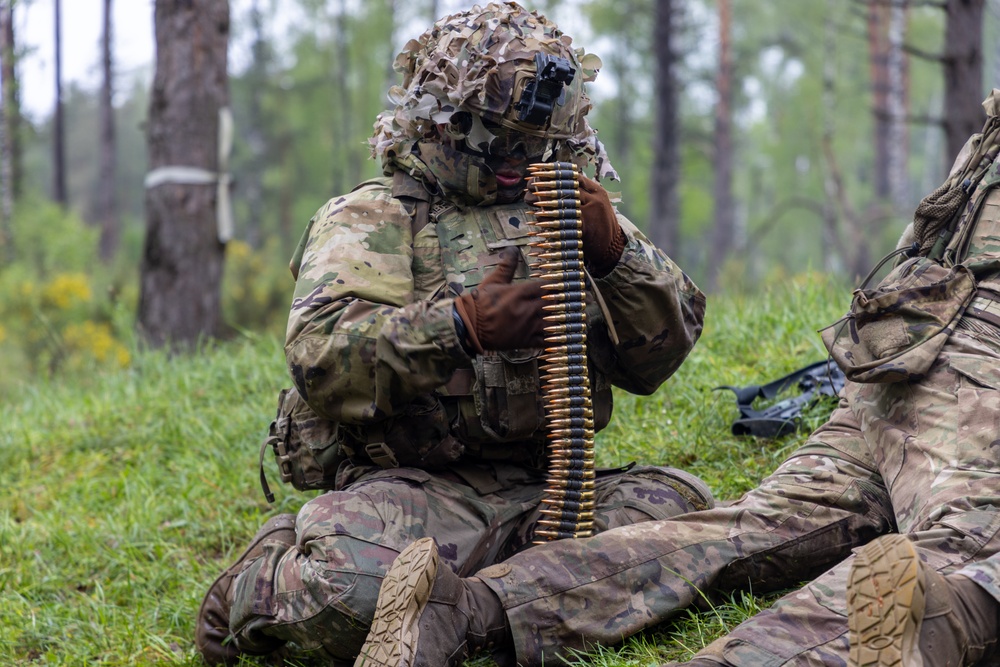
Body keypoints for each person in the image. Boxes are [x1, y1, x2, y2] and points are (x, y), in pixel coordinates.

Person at [353, 91, 1000, 667]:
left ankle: (464, 607)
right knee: (961, 562)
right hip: (973, 373)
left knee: (748, 526)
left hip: (902, 355)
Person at [193, 3, 714, 666]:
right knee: (347, 589)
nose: (516, 161)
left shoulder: (563, 204)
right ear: (446, 120)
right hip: (415, 494)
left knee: (688, 521)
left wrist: (614, 252)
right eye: (499, 140)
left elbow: (659, 357)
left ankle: (464, 611)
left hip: (548, 489)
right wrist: (464, 325)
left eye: (532, 142)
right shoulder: (376, 215)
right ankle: (261, 577)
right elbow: (322, 356)